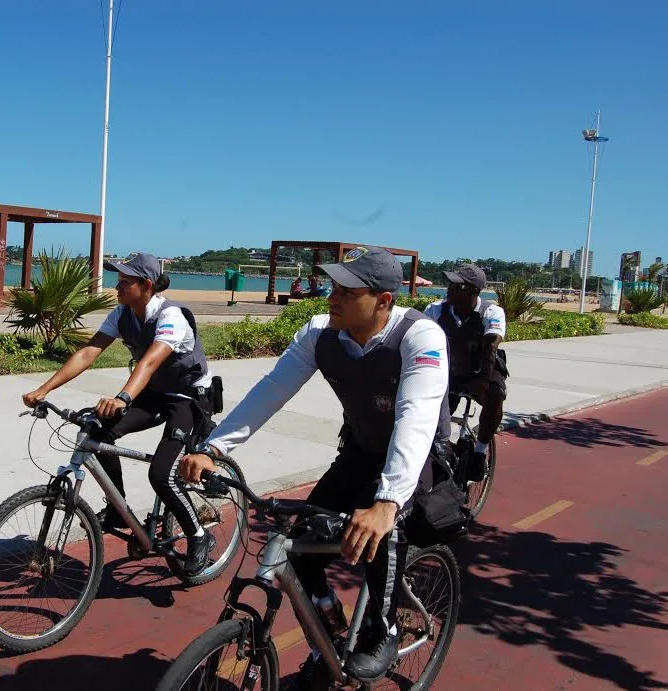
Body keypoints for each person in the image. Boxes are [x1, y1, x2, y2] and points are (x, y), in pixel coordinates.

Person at [180, 246, 450, 685]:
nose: (332, 297)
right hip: (361, 450)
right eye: (332, 287)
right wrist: (214, 448)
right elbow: (272, 390)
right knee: (299, 542)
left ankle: (382, 631)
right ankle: (330, 628)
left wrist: (386, 502)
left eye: (347, 291)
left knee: (384, 532)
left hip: (415, 458)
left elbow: (415, 417)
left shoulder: (420, 337)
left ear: (383, 301)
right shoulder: (321, 334)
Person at [22, 252, 217, 576]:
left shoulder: (172, 317)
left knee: (162, 474)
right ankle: (117, 510)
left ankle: (199, 536)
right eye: (118, 281)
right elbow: (88, 352)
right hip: (153, 393)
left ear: (146, 285)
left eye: (125, 282)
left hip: (188, 398)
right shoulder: (123, 314)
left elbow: (151, 361)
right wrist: (45, 389)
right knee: (98, 432)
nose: (117, 287)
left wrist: (123, 397)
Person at [424, 263, 507, 479]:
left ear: (474, 292)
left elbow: (491, 345)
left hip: (480, 370)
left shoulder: (491, 312)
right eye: (450, 284)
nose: (450, 289)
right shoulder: (435, 310)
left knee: (495, 395)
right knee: (430, 417)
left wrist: (482, 380)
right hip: (449, 372)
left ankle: (480, 451)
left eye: (458, 286)